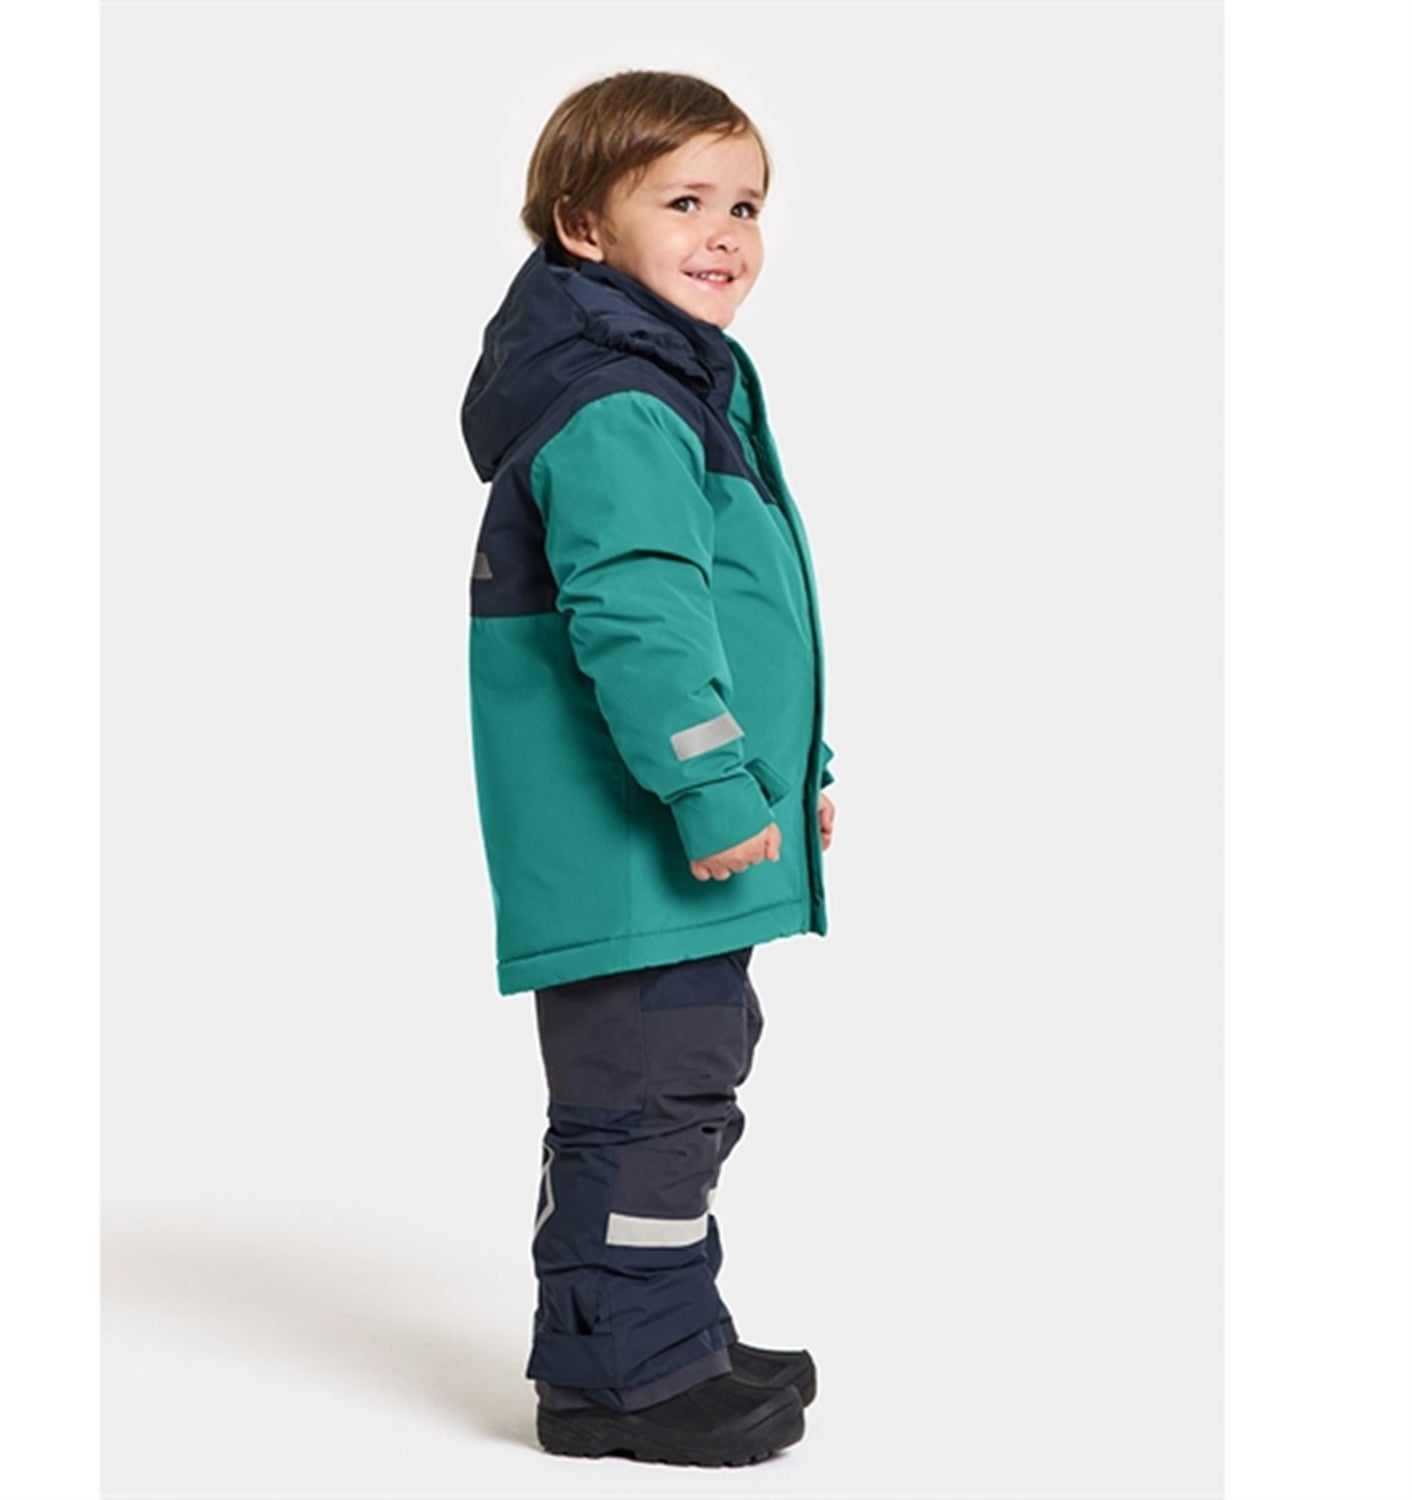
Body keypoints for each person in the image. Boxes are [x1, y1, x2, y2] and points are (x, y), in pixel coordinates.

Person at [460, 68, 837, 1466]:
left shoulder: (670, 382)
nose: (725, 232)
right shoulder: (622, 401)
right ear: (581, 226)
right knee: (645, 1097)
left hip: (677, 836)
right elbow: (639, 617)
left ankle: (663, 1330)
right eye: (683, 201)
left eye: (746, 204)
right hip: (637, 845)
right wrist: (711, 784)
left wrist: (796, 768)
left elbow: (742, 620)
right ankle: (622, 1381)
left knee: (674, 1086)